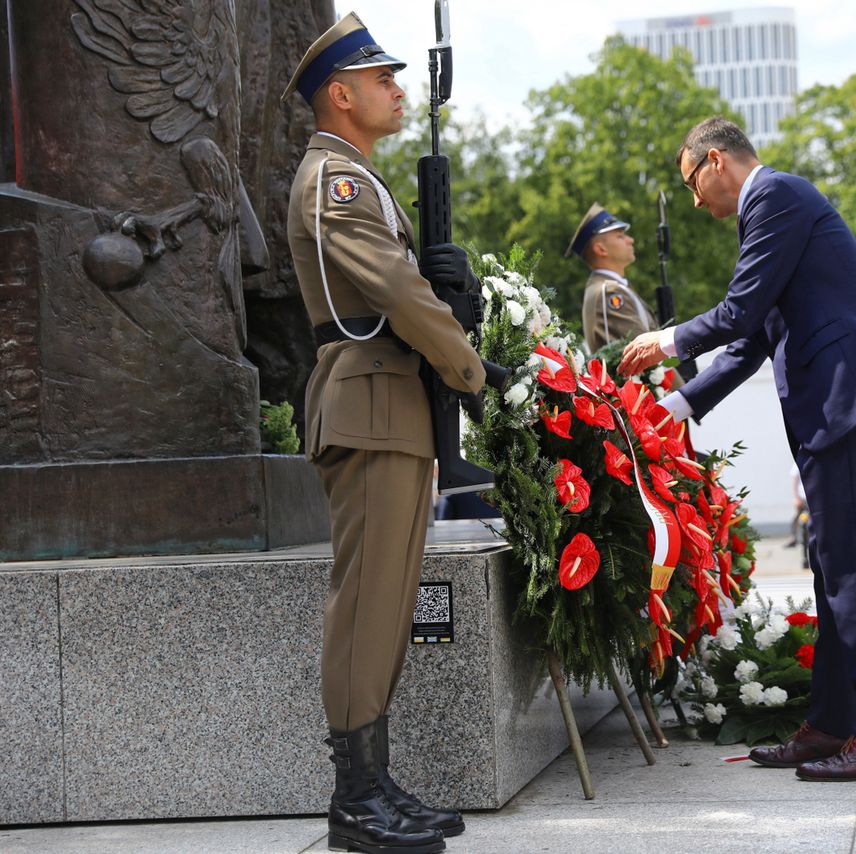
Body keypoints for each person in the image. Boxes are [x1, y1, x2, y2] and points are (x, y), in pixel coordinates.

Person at [619, 117, 856, 782]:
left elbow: (738, 311)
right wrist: (676, 407)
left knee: (852, 574)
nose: (695, 200)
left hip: (850, 400)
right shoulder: (770, 209)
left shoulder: (775, 197)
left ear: (717, 160)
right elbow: (754, 338)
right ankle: (835, 727)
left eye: (692, 181)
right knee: (832, 568)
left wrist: (667, 343)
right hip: (840, 405)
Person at [283, 13, 486, 853]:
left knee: (387, 607)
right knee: (367, 607)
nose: (398, 92)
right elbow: (396, 294)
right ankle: (355, 799)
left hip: (389, 406)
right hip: (370, 407)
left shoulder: (361, 177)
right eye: (382, 80)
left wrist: (456, 300)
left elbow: (407, 287)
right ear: (342, 94)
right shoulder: (336, 179)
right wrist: (471, 368)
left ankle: (375, 782)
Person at [568, 203, 656, 354]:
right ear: (601, 249)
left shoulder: (614, 287)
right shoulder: (609, 292)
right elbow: (648, 354)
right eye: (620, 236)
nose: (631, 240)